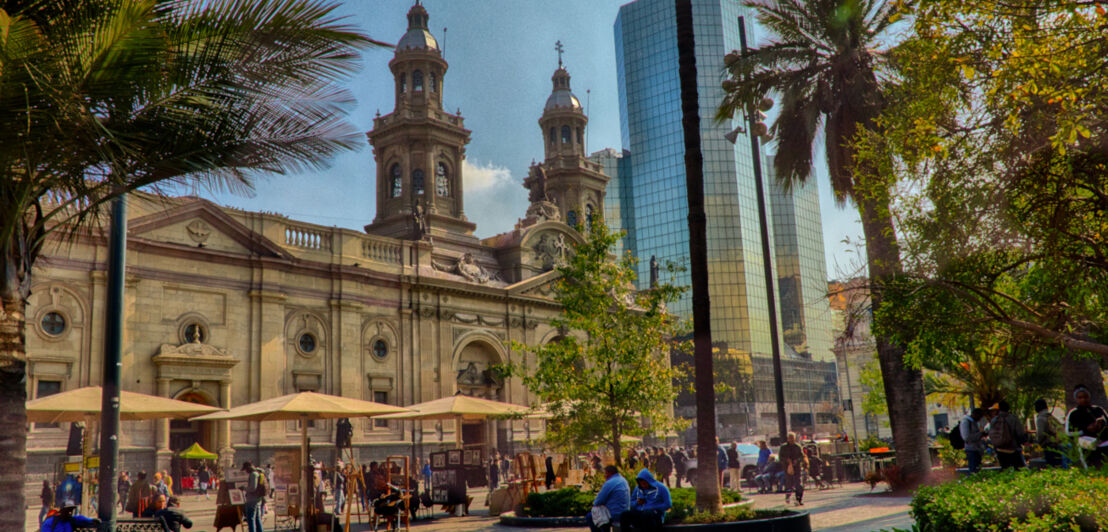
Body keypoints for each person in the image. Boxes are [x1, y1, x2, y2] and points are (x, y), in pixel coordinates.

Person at [1065, 384, 1108, 467]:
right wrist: (1086, 430)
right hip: (1087, 447)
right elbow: (1069, 432)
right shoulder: (1073, 414)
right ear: (1076, 399)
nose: (1083, 399)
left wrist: (1102, 424)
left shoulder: (1098, 410)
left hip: (1104, 445)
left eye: (1085, 397)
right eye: (1080, 398)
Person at [587, 465, 629, 532]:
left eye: (605, 473)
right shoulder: (623, 480)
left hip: (614, 514)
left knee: (590, 516)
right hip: (625, 512)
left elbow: (597, 501)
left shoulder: (610, 483)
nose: (604, 475)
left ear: (610, 473)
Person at [988, 400, 1026, 470]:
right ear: (1008, 408)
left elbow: (991, 433)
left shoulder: (994, 420)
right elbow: (1020, 433)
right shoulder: (1013, 418)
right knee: (1018, 469)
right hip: (1013, 448)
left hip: (999, 448)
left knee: (1004, 469)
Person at [1034, 398, 1065, 467]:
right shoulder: (1050, 416)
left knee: (1051, 465)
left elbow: (1041, 433)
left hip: (1049, 445)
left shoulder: (1040, 418)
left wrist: (1038, 442)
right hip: (1057, 444)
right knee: (1058, 465)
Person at [778, 433, 806, 506]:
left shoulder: (797, 446)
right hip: (787, 468)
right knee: (789, 483)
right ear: (788, 438)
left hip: (797, 468)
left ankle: (799, 499)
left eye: (792, 438)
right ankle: (788, 497)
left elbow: (802, 456)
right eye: (790, 438)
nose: (791, 440)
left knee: (798, 484)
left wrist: (797, 460)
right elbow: (780, 457)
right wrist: (786, 460)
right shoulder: (783, 447)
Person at [960, 408, 987, 473]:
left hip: (976, 449)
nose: (980, 419)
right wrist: (980, 434)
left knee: (977, 469)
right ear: (975, 414)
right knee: (973, 469)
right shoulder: (966, 422)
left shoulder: (974, 422)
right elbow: (967, 437)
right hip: (971, 449)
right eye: (979, 416)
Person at [242, 461, 266, 532]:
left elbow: (253, 488)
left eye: (246, 469)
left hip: (252, 499)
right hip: (257, 499)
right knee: (257, 519)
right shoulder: (257, 473)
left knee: (251, 519)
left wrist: (244, 488)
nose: (246, 471)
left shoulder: (253, 474)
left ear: (249, 468)